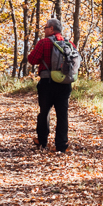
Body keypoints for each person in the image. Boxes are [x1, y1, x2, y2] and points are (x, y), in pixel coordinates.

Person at [27, 18, 72, 152]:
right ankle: (61, 145)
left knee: (44, 112)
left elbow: (32, 60)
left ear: (51, 29)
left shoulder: (44, 43)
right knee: (62, 114)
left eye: (46, 27)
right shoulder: (69, 43)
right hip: (64, 84)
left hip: (47, 83)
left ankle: (42, 142)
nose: (45, 30)